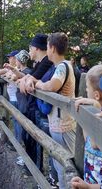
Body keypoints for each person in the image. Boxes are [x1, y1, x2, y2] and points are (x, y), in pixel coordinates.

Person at [33, 32, 76, 189]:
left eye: (47, 47)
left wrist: (38, 84)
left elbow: (52, 85)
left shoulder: (62, 67)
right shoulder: (60, 67)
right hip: (59, 124)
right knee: (60, 164)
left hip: (63, 125)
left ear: (51, 48)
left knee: (65, 165)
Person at [73, 63, 102, 189]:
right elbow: (87, 138)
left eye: (87, 88)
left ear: (96, 95)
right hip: (92, 178)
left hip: (99, 182)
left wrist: (95, 110)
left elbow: (94, 144)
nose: (86, 90)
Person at [17, 34, 53, 176]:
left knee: (38, 143)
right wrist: (25, 80)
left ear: (37, 48)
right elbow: (30, 76)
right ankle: (31, 167)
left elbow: (32, 78)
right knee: (30, 139)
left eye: (30, 48)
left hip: (43, 112)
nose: (29, 51)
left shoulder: (47, 62)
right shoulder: (39, 64)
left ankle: (37, 172)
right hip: (36, 109)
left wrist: (26, 80)